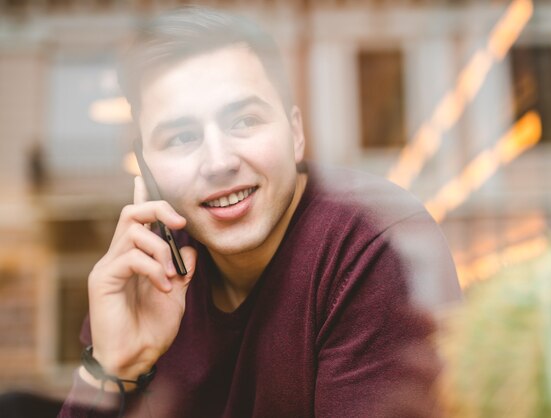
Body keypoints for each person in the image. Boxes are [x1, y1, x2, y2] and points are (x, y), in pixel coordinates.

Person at [59, 6, 461, 418]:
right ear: (146, 167)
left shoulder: (372, 243)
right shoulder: (146, 274)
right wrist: (109, 370)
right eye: (181, 137)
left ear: (296, 134)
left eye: (244, 120)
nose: (219, 162)